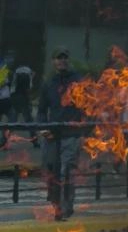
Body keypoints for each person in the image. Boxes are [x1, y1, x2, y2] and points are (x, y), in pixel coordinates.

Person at [37, 46, 85, 221]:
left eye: (65, 57)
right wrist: (43, 128)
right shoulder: (49, 83)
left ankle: (66, 207)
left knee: (67, 172)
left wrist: (85, 131)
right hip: (52, 137)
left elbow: (87, 107)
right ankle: (56, 205)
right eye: (59, 58)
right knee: (52, 172)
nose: (62, 60)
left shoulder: (78, 81)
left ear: (68, 60)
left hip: (71, 135)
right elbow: (42, 110)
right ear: (53, 61)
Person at [9, 61, 39, 147]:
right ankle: (35, 141)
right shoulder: (29, 71)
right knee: (29, 121)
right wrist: (32, 77)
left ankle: (4, 141)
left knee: (11, 122)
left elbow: (13, 85)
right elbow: (29, 87)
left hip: (14, 97)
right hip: (24, 98)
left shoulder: (17, 71)